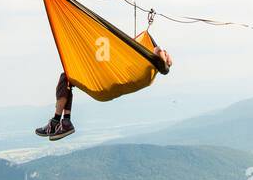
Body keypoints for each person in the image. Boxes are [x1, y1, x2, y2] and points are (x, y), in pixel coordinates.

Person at [35, 46, 172, 140]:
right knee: (68, 78)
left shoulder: (149, 69)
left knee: (66, 76)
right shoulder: (150, 75)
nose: (163, 51)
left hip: (102, 87)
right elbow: (158, 56)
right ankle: (64, 122)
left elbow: (157, 50)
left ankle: (57, 122)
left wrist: (160, 52)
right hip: (106, 87)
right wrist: (165, 60)